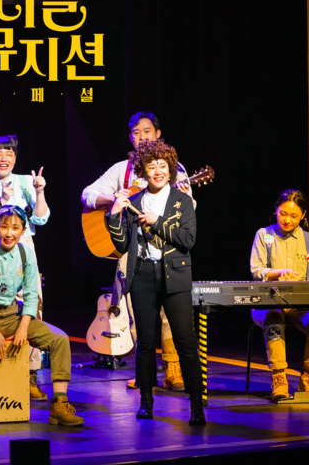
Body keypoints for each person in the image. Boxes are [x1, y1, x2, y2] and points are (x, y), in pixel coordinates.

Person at [82, 111, 194, 391]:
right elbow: (87, 194)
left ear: (158, 134)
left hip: (167, 252)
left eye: (147, 131)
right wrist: (115, 198)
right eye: (136, 132)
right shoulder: (123, 169)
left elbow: (188, 210)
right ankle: (145, 372)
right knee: (135, 312)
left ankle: (173, 368)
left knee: (169, 313)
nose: (142, 137)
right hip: (132, 251)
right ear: (130, 138)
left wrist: (179, 200)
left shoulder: (175, 169)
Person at [0, 205, 84, 428]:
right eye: (4, 227)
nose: (9, 233)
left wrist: (23, 327)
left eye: (15, 228)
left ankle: (60, 405)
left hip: (13, 315)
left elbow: (31, 295)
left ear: (23, 230)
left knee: (60, 339)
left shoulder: (25, 253)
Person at [105, 140, 205, 425]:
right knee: (146, 343)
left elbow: (188, 240)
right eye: (151, 166)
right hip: (143, 276)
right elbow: (122, 245)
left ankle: (196, 404)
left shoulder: (182, 201)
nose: (158, 171)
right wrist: (114, 214)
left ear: (170, 169)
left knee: (185, 342)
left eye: (163, 166)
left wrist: (157, 221)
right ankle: (146, 401)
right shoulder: (134, 202)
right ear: (143, 170)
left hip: (175, 275)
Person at [0, 134, 50, 400]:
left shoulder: (27, 181)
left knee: (32, 307)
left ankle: (30, 375)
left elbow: (41, 219)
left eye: (9, 153)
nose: (4, 158)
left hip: (25, 246)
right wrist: (3, 202)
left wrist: (39, 192)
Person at [250, 189, 309, 401]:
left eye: (294, 216)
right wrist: (278, 273)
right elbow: (257, 271)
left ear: (303, 215)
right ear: (276, 210)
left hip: (299, 305)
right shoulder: (264, 235)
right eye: (283, 214)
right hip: (268, 303)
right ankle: (279, 378)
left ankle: (308, 376)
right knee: (274, 320)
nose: (287, 220)